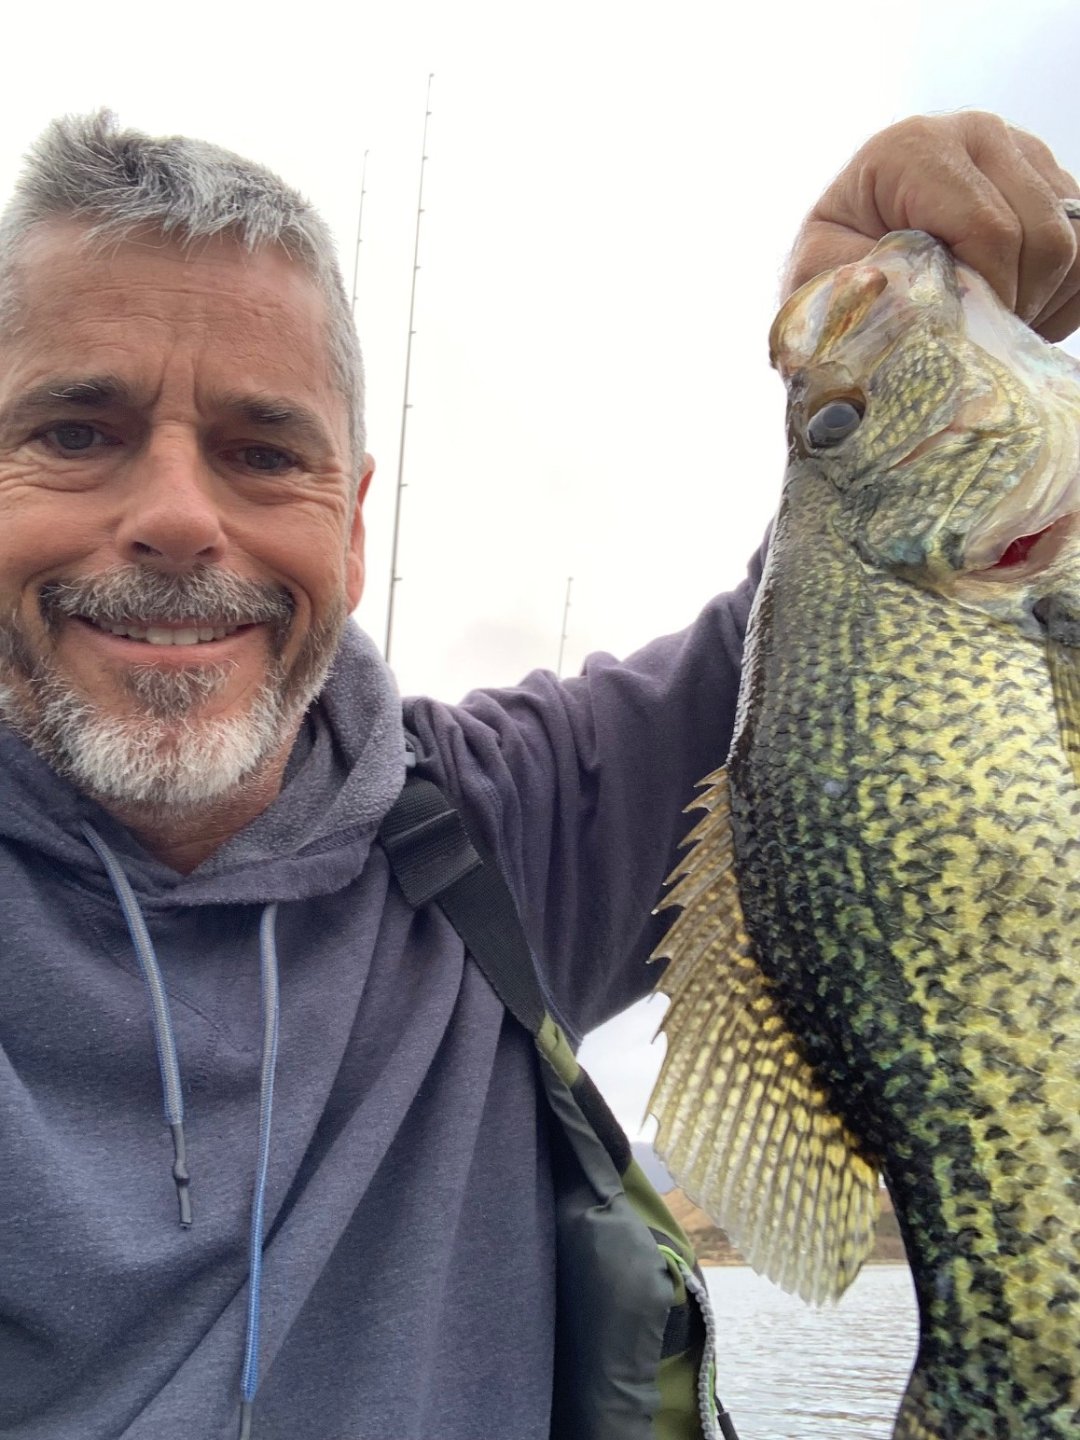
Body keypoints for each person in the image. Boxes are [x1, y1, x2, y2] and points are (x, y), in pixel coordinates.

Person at [0, 109, 1075, 1440]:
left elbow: (835, 654)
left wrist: (865, 322)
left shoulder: (495, 829)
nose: (175, 515)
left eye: (263, 453)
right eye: (77, 433)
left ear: (351, 529)